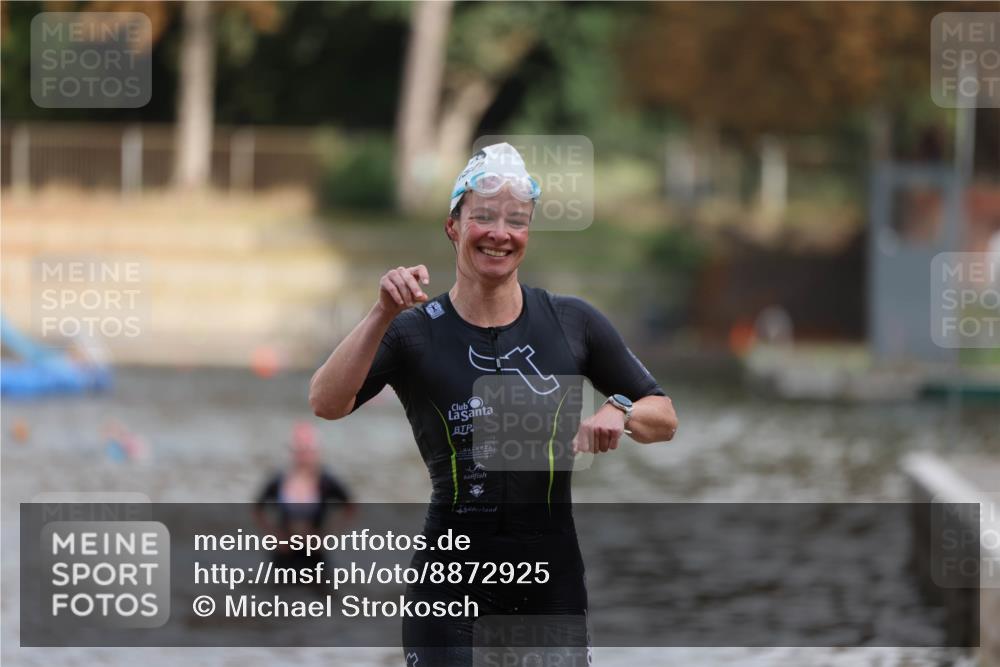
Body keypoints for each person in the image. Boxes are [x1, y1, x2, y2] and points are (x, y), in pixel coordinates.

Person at [309, 142, 678, 665]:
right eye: (483, 216)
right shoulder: (413, 332)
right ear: (453, 226)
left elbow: (664, 417)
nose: (500, 233)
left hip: (550, 583)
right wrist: (380, 314)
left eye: (516, 220)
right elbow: (325, 402)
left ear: (527, 232)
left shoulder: (571, 322)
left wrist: (619, 408)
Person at [253, 421, 355, 588]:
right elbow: (257, 508)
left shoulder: (326, 482)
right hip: (283, 555)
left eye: (307, 452)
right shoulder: (279, 480)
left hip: (314, 555)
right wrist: (274, 536)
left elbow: (350, 507)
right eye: (299, 451)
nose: (303, 457)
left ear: (316, 452)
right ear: (291, 452)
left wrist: (329, 536)